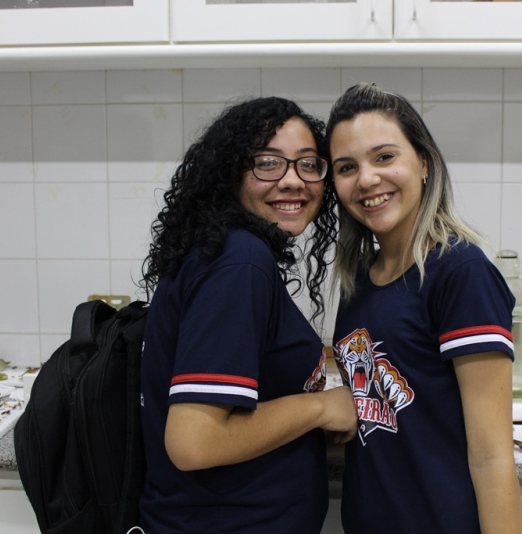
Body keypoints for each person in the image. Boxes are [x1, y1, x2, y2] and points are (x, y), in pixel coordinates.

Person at [138, 96, 358, 533]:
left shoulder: (222, 249)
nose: (293, 181)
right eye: (268, 163)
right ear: (230, 172)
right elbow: (195, 442)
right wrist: (321, 408)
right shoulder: (239, 260)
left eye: (308, 164)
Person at [326, 83, 522, 534]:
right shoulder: (359, 279)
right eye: (347, 167)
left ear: (424, 164)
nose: (367, 179)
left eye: (384, 157)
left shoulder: (460, 273)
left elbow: (492, 457)